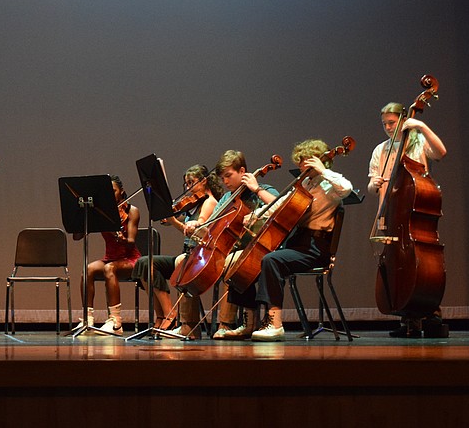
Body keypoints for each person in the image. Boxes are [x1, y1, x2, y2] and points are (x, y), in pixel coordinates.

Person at [248, 139, 353, 342]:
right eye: (300, 162)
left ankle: (275, 323)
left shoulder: (330, 184)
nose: (302, 165)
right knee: (259, 257)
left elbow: (347, 189)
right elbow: (283, 206)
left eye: (305, 161)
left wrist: (323, 171)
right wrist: (258, 213)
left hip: (316, 248)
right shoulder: (305, 183)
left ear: (318, 160)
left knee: (272, 260)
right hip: (300, 242)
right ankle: (254, 321)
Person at [368, 102, 448, 338]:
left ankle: (430, 313)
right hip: (392, 214)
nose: (388, 128)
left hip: (414, 215)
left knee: (420, 265)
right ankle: (407, 317)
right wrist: (374, 184)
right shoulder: (380, 150)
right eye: (384, 124)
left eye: (392, 123)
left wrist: (421, 126)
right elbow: (372, 184)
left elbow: (441, 152)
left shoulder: (418, 142)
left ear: (403, 120)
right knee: (398, 265)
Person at [182, 151, 279, 341]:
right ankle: (189, 326)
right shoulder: (227, 198)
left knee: (230, 262)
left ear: (242, 171)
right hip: (227, 248)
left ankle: (230, 323)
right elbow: (211, 226)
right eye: (222, 177)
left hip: (259, 250)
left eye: (229, 175)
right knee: (183, 261)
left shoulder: (264, 189)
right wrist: (196, 226)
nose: (225, 181)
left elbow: (280, 206)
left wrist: (257, 189)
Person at [132, 165, 220, 338]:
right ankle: (164, 315)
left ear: (204, 181)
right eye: (186, 184)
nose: (188, 188)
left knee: (182, 262)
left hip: (200, 258)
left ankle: (188, 326)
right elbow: (175, 220)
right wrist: (166, 214)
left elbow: (195, 231)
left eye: (191, 183)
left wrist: (173, 221)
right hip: (186, 255)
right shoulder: (193, 204)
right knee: (145, 263)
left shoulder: (209, 202)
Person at [74, 175, 141, 336]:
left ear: (122, 192)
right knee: (88, 269)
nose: (111, 195)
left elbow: (131, 242)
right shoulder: (102, 212)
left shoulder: (131, 211)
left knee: (109, 269)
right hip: (110, 257)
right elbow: (77, 237)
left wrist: (121, 237)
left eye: (114, 191)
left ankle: (116, 321)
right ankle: (87, 318)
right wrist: (85, 216)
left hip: (130, 259)